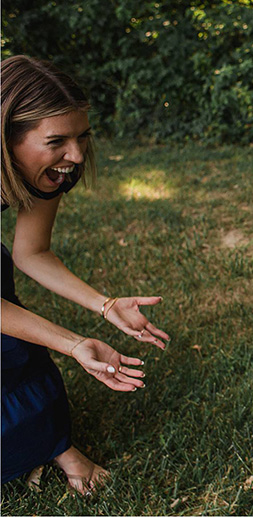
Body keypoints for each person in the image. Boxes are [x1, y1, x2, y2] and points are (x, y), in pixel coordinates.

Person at [1, 55, 170, 495]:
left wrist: (106, 305)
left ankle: (54, 444)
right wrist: (74, 343)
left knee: (16, 353)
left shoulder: (50, 172)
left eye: (81, 137)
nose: (75, 156)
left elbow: (31, 251)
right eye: (57, 141)